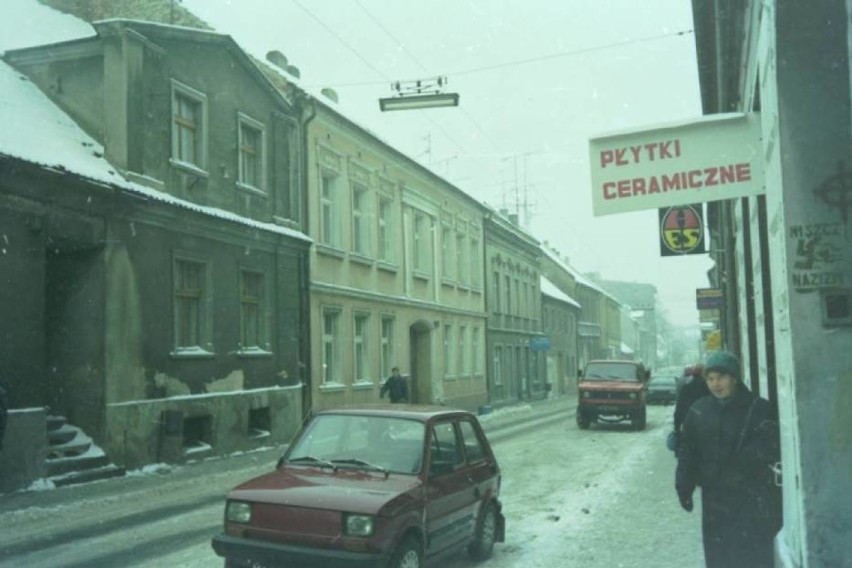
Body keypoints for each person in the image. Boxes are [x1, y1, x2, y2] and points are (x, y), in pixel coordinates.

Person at [675, 351, 782, 568]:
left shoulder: (759, 408)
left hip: (750, 499)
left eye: (722, 377)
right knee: (718, 556)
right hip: (715, 500)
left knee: (751, 556)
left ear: (735, 378)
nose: (716, 384)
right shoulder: (699, 411)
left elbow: (771, 446)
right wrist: (683, 485)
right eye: (710, 378)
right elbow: (688, 452)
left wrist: (744, 465)